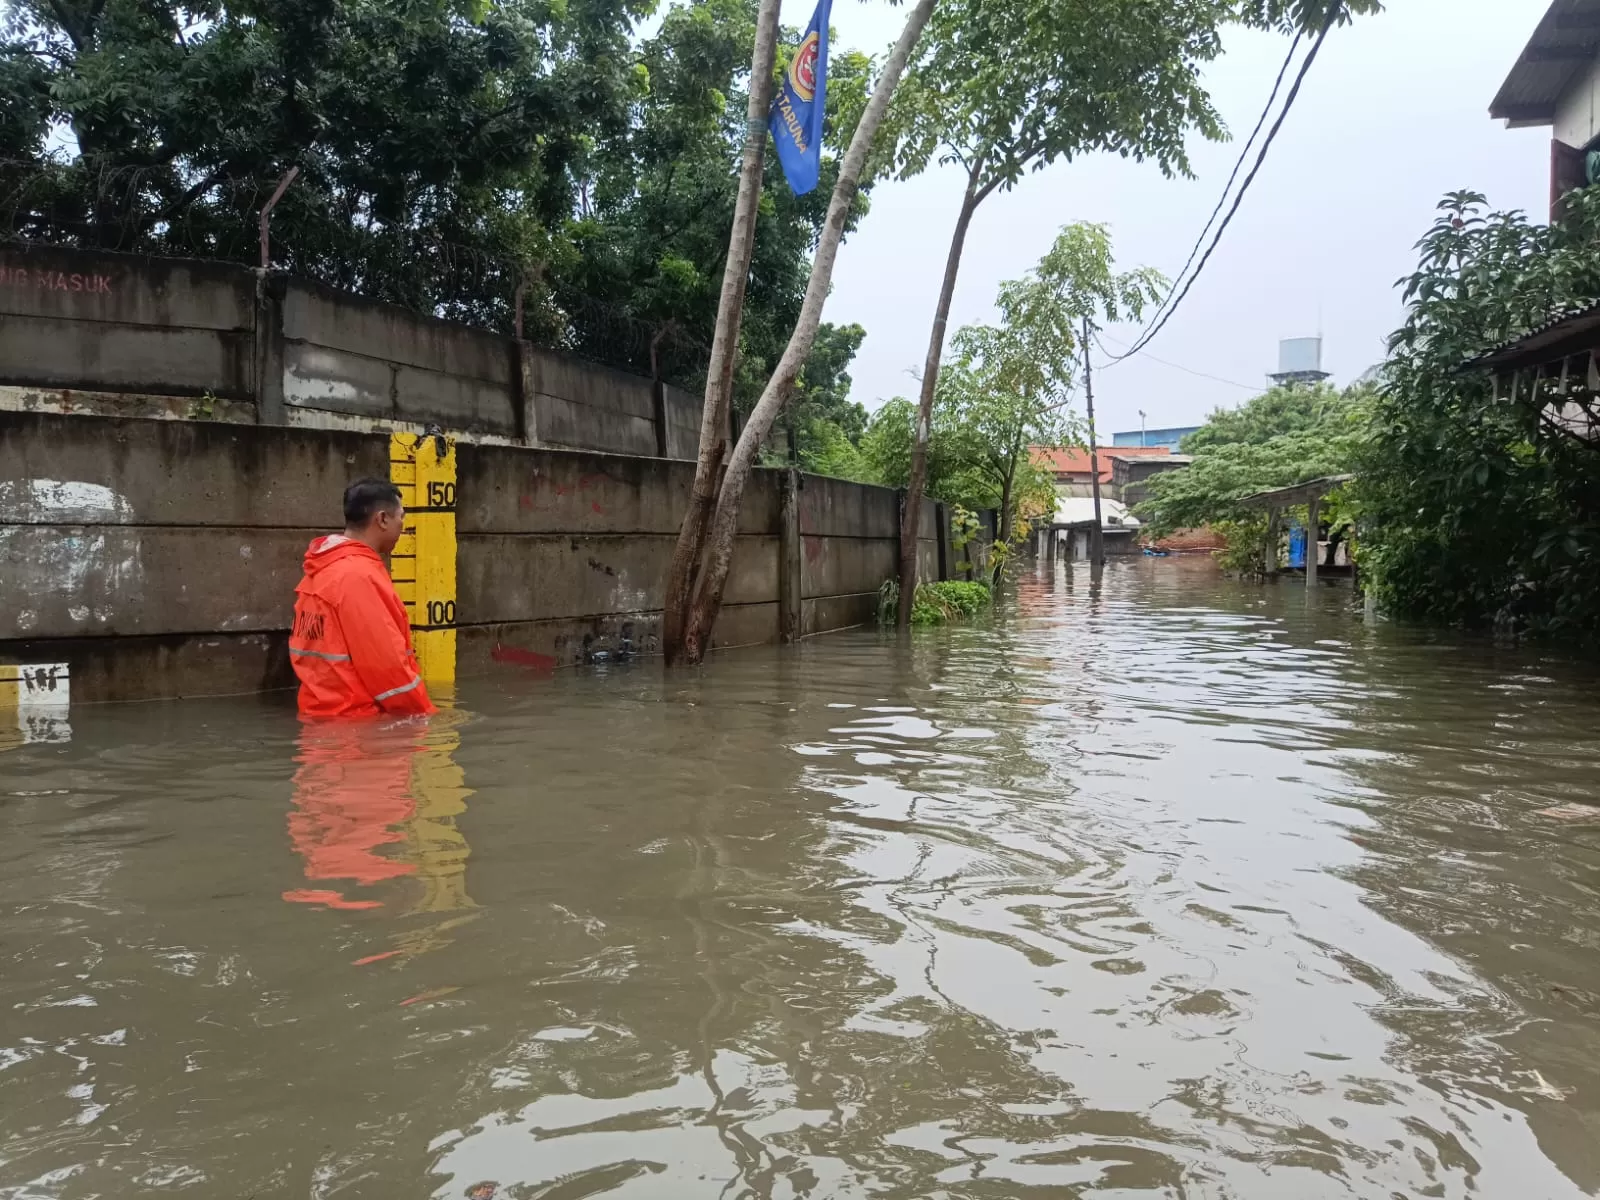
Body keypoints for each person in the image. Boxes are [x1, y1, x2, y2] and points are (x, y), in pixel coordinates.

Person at [290, 478, 435, 718]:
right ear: (382, 519)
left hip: (323, 723)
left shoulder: (321, 570)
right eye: (401, 517)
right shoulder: (358, 577)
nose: (403, 526)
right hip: (362, 731)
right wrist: (427, 719)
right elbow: (389, 673)